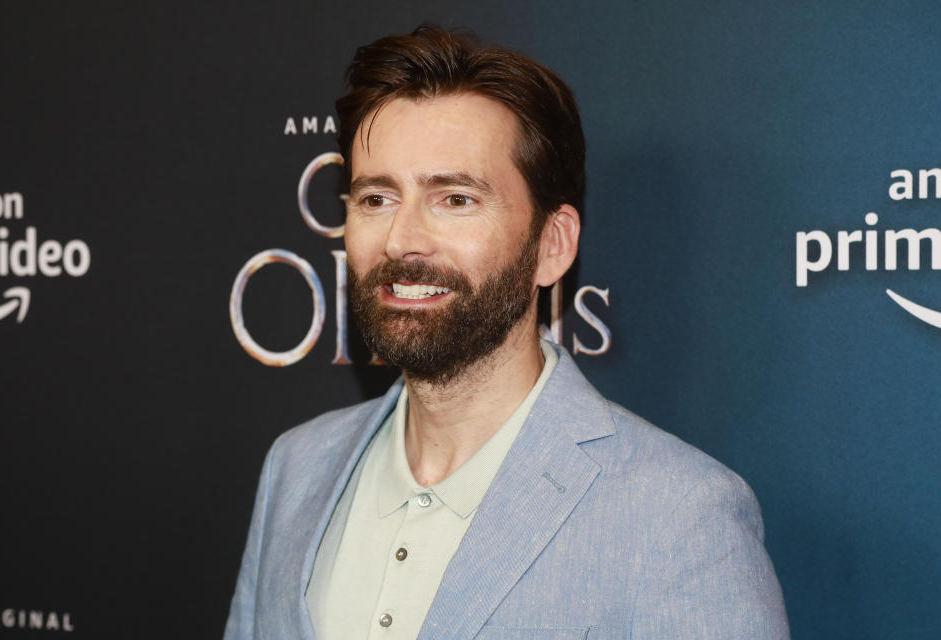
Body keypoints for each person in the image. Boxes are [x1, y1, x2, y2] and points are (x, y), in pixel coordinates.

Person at [224, 25, 789, 640]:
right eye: (376, 198)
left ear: (553, 244)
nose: (402, 239)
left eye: (457, 199)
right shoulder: (297, 466)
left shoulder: (679, 516)